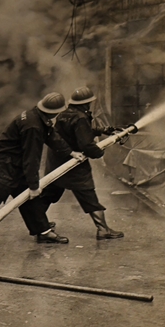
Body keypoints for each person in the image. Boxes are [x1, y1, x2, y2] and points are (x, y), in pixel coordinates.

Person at [0, 92, 83, 257]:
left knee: (28, 199)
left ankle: (42, 231)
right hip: (3, 168)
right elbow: (31, 158)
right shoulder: (32, 126)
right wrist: (34, 185)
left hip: (13, 165)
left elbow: (51, 136)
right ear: (54, 111)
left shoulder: (37, 115)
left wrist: (70, 152)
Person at [40, 87, 124, 240]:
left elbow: (77, 132)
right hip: (74, 163)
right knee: (88, 194)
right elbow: (86, 143)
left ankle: (40, 227)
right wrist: (99, 152)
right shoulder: (80, 118)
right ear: (86, 104)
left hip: (57, 162)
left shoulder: (64, 114)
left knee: (49, 194)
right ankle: (103, 229)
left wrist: (104, 130)